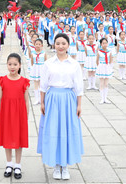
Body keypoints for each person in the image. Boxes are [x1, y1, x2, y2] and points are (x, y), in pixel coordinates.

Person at [38, 33, 84, 181]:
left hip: (68, 99)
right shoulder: (48, 63)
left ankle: (65, 166)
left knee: (67, 131)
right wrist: (42, 102)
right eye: (58, 43)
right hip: (52, 99)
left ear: (68, 45)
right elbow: (43, 85)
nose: (60, 46)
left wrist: (79, 105)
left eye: (63, 43)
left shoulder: (74, 64)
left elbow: (79, 86)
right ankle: (56, 166)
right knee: (54, 131)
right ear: (54, 44)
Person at [0, 53, 30, 180]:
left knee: (19, 139)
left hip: (19, 114)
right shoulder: (2, 80)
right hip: (6, 113)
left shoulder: (24, 81)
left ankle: (17, 164)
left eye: (15, 64)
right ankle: (9, 163)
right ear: (7, 65)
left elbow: (26, 101)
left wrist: (26, 116)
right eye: (10, 64)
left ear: (20, 65)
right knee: (7, 137)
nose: (12, 67)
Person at [96, 38, 114, 104]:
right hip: (101, 67)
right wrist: (99, 67)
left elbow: (111, 60)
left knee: (106, 84)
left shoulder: (109, 51)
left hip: (107, 67)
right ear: (101, 44)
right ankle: (102, 98)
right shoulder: (99, 52)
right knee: (101, 83)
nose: (105, 44)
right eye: (103, 43)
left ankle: (105, 98)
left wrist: (109, 67)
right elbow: (97, 61)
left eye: (106, 43)